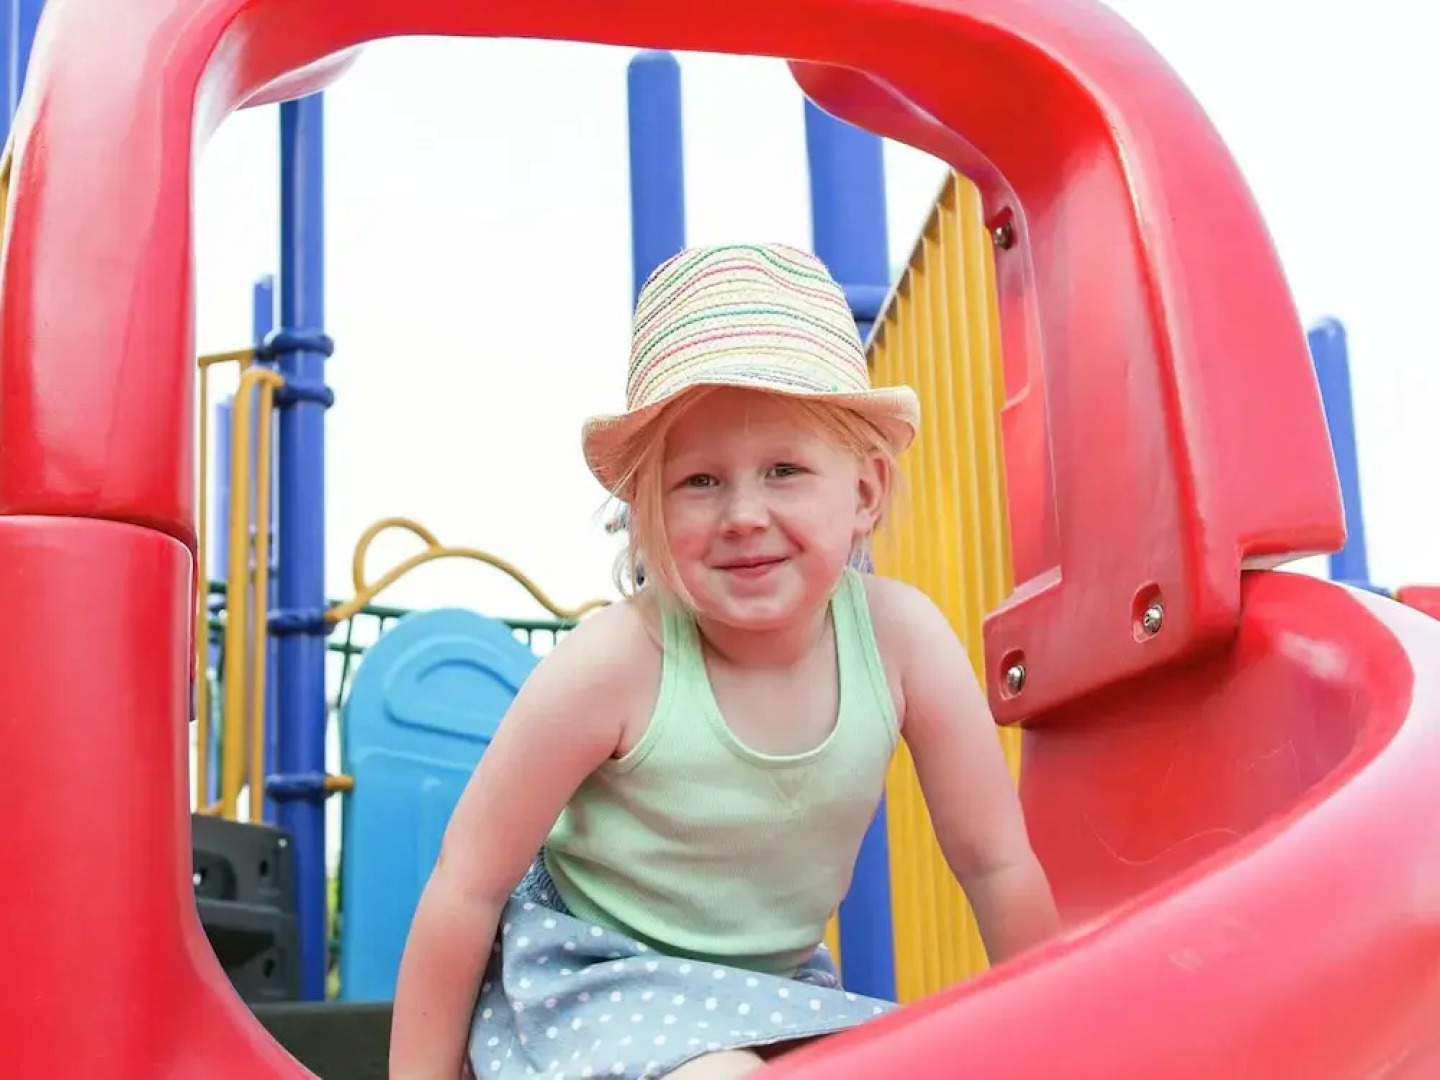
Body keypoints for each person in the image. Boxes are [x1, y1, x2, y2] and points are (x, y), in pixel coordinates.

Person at [389, 243, 1060, 1080]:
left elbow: (994, 860)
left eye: (785, 470)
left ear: (865, 492)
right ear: (643, 511)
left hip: (772, 986)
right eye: (698, 481)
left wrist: (1062, 1041)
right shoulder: (614, 665)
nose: (744, 514)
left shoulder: (903, 642)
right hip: (589, 976)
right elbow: (468, 882)